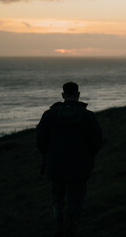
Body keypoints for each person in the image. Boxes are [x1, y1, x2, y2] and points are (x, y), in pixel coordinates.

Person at [37, 82, 102, 237]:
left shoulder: (49, 115)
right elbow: (97, 141)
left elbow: (41, 141)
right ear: (78, 94)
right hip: (79, 166)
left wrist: (48, 156)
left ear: (63, 95)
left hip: (54, 165)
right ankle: (71, 230)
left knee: (57, 199)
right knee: (76, 200)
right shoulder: (88, 116)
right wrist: (88, 155)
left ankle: (59, 228)